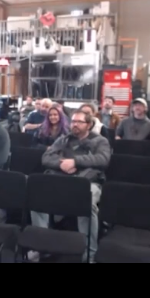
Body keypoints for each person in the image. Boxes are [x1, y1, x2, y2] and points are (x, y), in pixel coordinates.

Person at [28, 110, 110, 262]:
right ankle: (42, 246)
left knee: (88, 204)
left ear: (89, 124)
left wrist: (75, 162)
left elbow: (103, 159)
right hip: (62, 180)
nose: (75, 125)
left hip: (88, 182)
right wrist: (62, 164)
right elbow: (46, 157)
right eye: (73, 121)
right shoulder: (64, 139)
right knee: (37, 200)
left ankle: (89, 254)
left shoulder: (100, 141)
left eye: (79, 122)